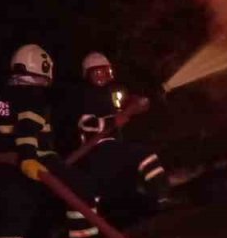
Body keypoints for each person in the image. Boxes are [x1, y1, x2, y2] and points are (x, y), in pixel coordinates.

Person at [0, 44, 101, 238]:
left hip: (2, 168)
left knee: (14, 215)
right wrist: (29, 159)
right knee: (83, 188)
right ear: (44, 69)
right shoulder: (34, 97)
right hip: (36, 161)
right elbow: (27, 130)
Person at [73, 51, 170, 205]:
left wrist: (135, 107)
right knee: (144, 156)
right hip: (98, 150)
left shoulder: (104, 95)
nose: (103, 76)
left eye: (107, 71)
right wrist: (114, 120)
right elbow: (86, 123)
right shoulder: (86, 95)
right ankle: (161, 197)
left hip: (109, 148)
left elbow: (120, 114)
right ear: (88, 75)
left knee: (96, 192)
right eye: (98, 72)